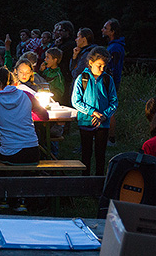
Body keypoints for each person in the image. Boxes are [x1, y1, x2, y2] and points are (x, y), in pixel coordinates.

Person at [71, 46, 118, 176]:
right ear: (91, 63)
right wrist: (92, 112)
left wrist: (104, 115)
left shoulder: (108, 79)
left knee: (100, 153)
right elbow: (75, 101)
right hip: (86, 121)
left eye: (104, 66)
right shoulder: (82, 78)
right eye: (99, 65)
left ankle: (98, 181)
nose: (102, 69)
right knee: (86, 153)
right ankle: (85, 181)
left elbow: (114, 101)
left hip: (103, 123)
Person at [0, 66, 48, 165]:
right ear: (15, 82)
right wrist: (26, 114)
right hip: (32, 152)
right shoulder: (27, 95)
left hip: (9, 154)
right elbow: (44, 116)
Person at [102, 18, 126, 147]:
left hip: (111, 82)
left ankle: (111, 138)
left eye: (105, 28)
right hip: (110, 81)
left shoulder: (115, 47)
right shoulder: (113, 45)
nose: (103, 30)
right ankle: (105, 135)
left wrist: (107, 80)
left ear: (113, 31)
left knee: (109, 109)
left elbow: (113, 67)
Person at [53, 20, 75, 105]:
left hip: (66, 76)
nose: (59, 33)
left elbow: (56, 55)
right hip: (59, 75)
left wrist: (57, 46)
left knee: (64, 98)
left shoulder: (70, 45)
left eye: (61, 30)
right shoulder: (61, 43)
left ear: (68, 31)